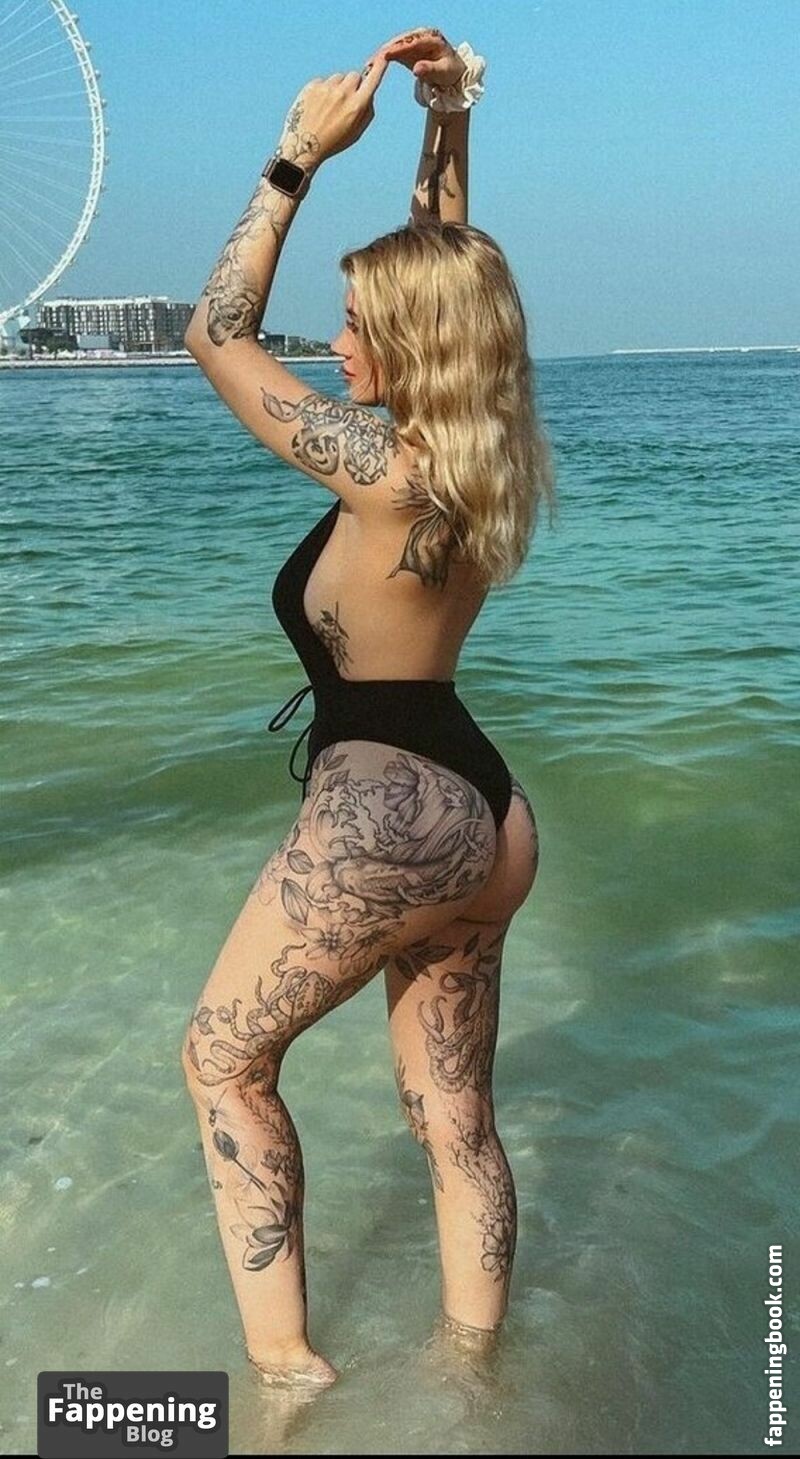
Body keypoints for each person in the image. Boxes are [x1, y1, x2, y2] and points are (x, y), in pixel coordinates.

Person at [181, 27, 556, 1388]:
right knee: (458, 1123)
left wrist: (295, 159)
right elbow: (452, 271)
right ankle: (476, 1379)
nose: (335, 343)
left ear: (409, 343)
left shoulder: (382, 470)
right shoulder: (480, 445)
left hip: (388, 814)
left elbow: (215, 333)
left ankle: (285, 1371)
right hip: (489, 814)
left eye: (355, 325)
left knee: (221, 1064)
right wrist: (449, 117)